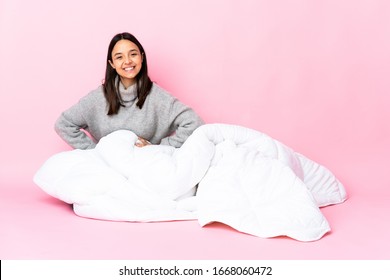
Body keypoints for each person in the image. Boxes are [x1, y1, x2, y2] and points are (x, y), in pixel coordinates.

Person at [55, 32, 204, 149]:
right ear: (112, 64)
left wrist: (160, 148)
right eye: (119, 57)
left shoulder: (158, 97)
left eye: (133, 54)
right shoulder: (98, 98)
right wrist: (94, 152)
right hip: (108, 169)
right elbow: (64, 124)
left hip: (145, 167)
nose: (127, 61)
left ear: (142, 57)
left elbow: (194, 122)